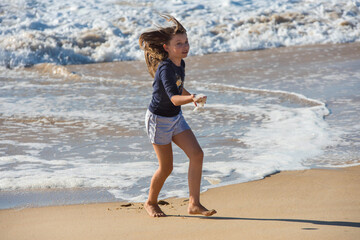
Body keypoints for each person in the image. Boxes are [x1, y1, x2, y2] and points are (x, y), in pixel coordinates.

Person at [139, 15, 217, 217]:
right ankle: (150, 202)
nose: (185, 47)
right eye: (179, 43)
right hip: (159, 120)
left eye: (186, 42)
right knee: (166, 168)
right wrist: (191, 98)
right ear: (166, 47)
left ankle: (194, 204)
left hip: (175, 118)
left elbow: (178, 90)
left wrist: (192, 96)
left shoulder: (180, 64)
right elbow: (174, 98)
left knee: (197, 154)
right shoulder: (165, 68)